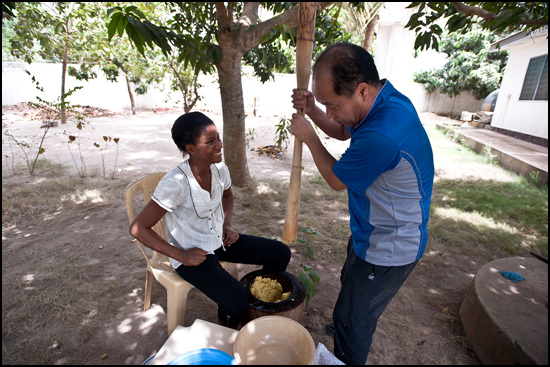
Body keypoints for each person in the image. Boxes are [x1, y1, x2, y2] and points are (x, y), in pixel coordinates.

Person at [290, 42, 434, 364]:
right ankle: (345, 322)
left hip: (390, 246)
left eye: (331, 104)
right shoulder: (384, 100)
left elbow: (336, 180)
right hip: (371, 231)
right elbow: (343, 130)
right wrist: (313, 110)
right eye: (324, 104)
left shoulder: (383, 134)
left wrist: (310, 136)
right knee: (350, 286)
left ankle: (346, 345)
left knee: (355, 321)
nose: (329, 113)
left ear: (362, 91)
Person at [129, 111, 291, 329]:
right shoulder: (176, 183)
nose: (219, 145)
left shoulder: (220, 169)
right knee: (235, 301)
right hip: (191, 254)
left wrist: (226, 225)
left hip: (219, 241)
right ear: (191, 148)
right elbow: (139, 228)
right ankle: (229, 327)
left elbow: (227, 195)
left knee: (280, 253)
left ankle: (259, 295)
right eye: (211, 141)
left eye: (219, 139)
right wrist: (180, 254)